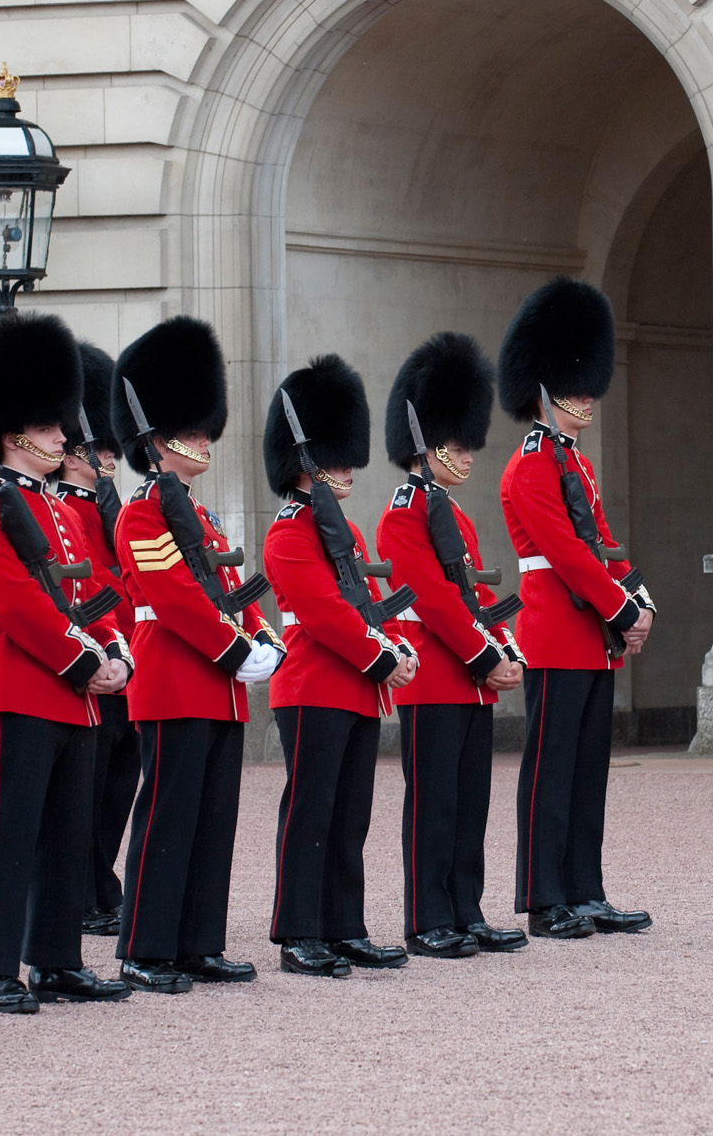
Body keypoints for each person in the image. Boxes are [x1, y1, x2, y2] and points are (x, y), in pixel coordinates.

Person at [0, 312, 133, 1014]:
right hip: (22, 689)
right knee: (11, 832)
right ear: (15, 432)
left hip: (77, 691)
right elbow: (14, 605)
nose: (66, 435)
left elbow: (91, 587)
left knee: (67, 831)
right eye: (54, 425)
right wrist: (82, 660)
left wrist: (113, 648)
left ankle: (58, 958)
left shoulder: (60, 511)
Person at [109, 317, 279, 992]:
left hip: (220, 682)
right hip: (178, 677)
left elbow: (232, 586)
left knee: (214, 817)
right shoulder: (143, 511)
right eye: (194, 426)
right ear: (158, 435)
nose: (206, 437)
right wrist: (237, 647)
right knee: (168, 814)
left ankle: (198, 941)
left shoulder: (201, 517)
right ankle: (146, 945)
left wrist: (261, 632)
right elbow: (174, 597)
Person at [496, 278, 654, 938]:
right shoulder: (531, 464)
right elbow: (565, 553)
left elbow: (602, 542)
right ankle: (543, 895)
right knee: (551, 767)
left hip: (591, 635)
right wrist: (621, 609)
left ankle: (584, 889)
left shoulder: (575, 465)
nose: (585, 396)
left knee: (589, 769)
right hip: (558, 632)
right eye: (573, 384)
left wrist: (638, 597)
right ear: (544, 387)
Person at [263, 354, 417, 977]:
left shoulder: (342, 532)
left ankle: (343, 926)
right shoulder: (290, 532)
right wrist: (383, 657)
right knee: (311, 812)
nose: (347, 467)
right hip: (313, 686)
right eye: (334, 455)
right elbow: (323, 614)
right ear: (305, 460)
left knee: (350, 815)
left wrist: (393, 646)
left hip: (354, 688)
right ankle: (299, 932)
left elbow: (361, 604)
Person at [375, 333, 528, 959]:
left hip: (470, 680)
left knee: (470, 804)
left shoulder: (456, 518)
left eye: (468, 443)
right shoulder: (401, 516)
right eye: (456, 443)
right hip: (439, 678)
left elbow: (477, 596)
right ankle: (426, 916)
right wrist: (487, 656)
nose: (466, 454)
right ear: (425, 441)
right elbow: (433, 602)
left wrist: (505, 645)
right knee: (434, 805)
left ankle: (466, 909)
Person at [54, 342, 138, 939]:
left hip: (127, 663)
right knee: (84, 788)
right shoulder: (62, 511)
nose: (108, 455)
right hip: (90, 662)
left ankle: (100, 880)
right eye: (99, 447)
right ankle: (80, 888)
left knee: (117, 784)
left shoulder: (112, 509)